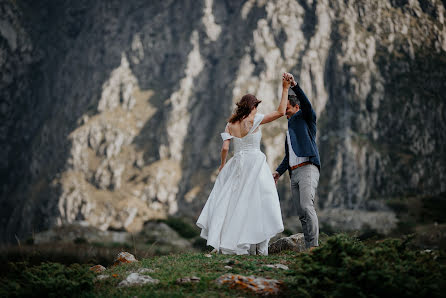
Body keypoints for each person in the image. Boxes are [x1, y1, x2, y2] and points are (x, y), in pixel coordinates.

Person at [196, 73, 292, 255]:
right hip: (255, 162)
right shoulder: (254, 120)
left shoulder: (230, 124)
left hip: (237, 163)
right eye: (256, 106)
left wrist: (223, 165)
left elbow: (225, 147)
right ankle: (260, 245)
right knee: (260, 201)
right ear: (253, 106)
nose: (257, 109)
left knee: (234, 203)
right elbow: (280, 112)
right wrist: (285, 88)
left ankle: (234, 243)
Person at [273, 73, 321, 251]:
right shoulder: (289, 129)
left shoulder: (306, 118)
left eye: (287, 108)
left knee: (307, 206)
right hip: (294, 173)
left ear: (296, 107)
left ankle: (314, 247)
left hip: (308, 168)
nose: (284, 111)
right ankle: (309, 247)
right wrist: (278, 172)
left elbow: (307, 105)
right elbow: (289, 156)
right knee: (301, 213)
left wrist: (294, 85)